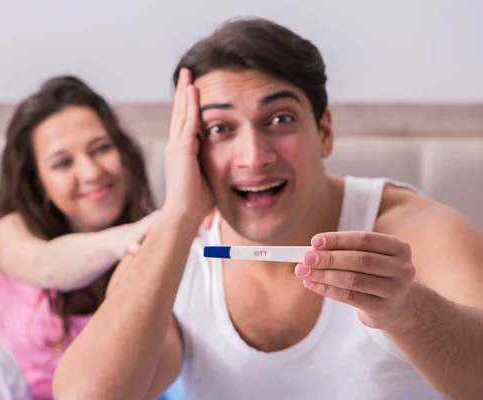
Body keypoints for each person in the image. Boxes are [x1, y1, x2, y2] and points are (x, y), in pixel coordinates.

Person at [53, 17, 483, 400]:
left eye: (279, 119)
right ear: (192, 150)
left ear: (325, 131)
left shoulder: (415, 228)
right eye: (220, 129)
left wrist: (405, 309)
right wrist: (181, 214)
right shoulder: (172, 251)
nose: (253, 157)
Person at [0, 75, 159, 400]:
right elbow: (47, 265)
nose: (91, 172)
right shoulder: (9, 231)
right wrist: (129, 238)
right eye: (63, 163)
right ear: (37, 181)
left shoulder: (153, 246)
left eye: (101, 149)